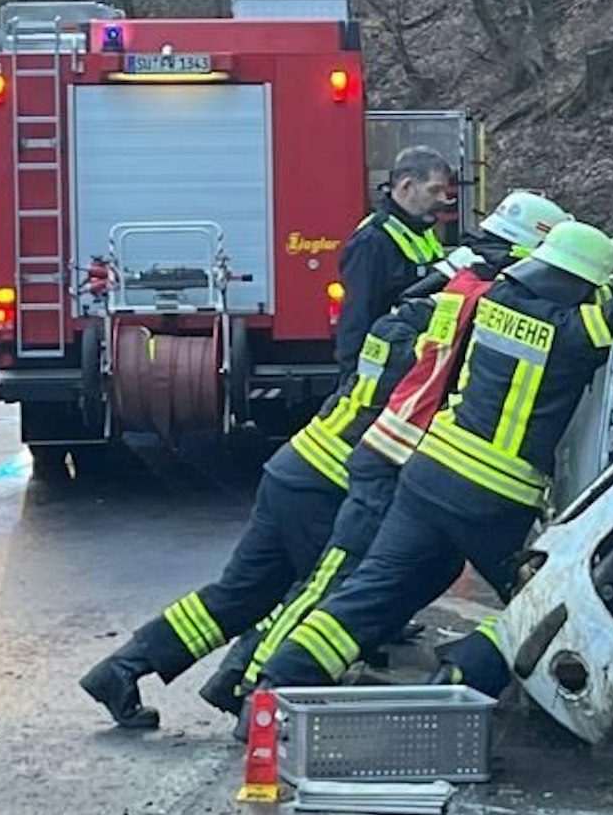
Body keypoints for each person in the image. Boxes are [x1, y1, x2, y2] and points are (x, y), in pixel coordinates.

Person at [78, 191, 569, 729]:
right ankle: (253, 699)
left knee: (238, 594)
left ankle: (123, 668)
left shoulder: (417, 308)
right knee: (322, 596)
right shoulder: (463, 321)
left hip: (303, 462)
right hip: (336, 478)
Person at [224, 191, 573, 701]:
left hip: (406, 457)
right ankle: (255, 687)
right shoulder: (499, 293)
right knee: (340, 582)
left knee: (369, 584)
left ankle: (257, 682)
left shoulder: (459, 281)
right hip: (401, 457)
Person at [332, 145, 456, 399]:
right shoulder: (372, 241)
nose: (443, 199)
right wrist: (353, 386)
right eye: (434, 190)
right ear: (406, 186)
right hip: (384, 376)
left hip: (413, 369)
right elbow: (356, 321)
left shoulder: (420, 231)